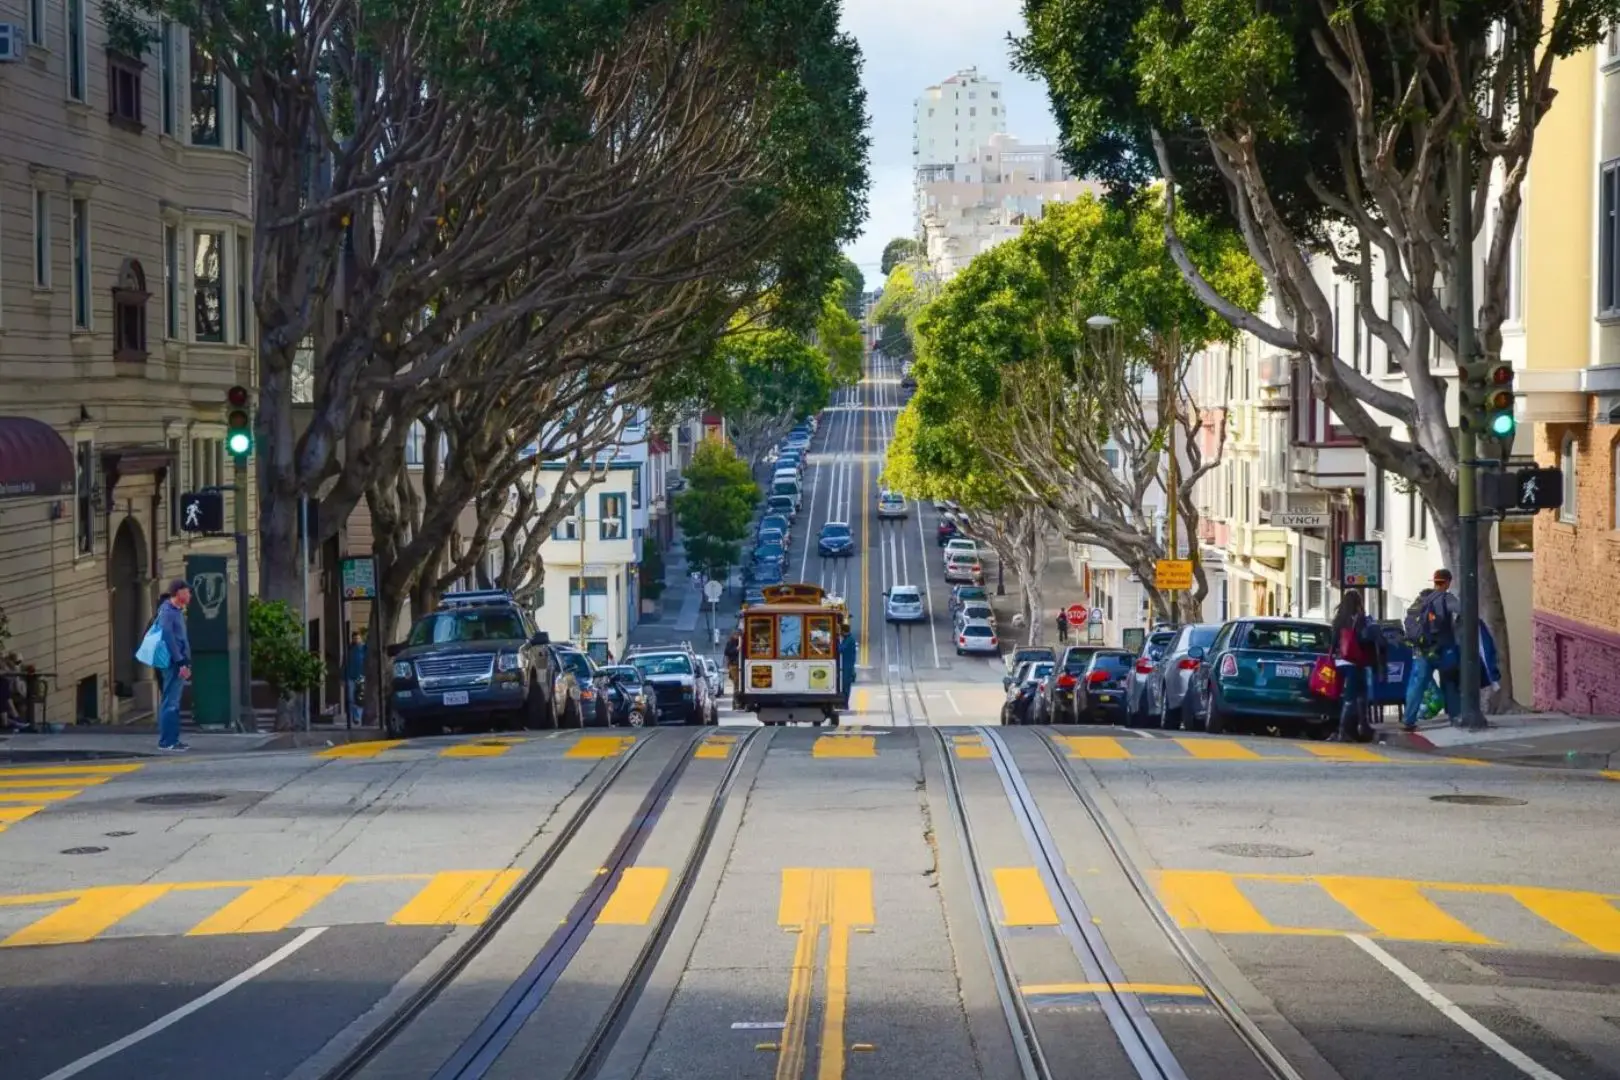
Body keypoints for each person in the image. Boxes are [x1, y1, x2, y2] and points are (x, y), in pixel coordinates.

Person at [1402, 568, 1461, 730]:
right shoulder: (1447, 598)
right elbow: (1462, 610)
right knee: (1450, 681)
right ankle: (1455, 716)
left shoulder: (1421, 599)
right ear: (1448, 582)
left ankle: (1408, 719)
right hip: (1443, 648)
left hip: (1422, 650)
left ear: (1434, 581)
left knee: (1418, 684)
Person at [1329, 589, 1377, 742]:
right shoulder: (1360, 619)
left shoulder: (1339, 619)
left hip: (1339, 661)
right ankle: (1348, 729)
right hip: (1354, 661)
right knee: (1355, 696)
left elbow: (1333, 641)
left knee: (1354, 695)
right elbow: (1364, 639)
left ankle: (1356, 727)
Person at [155, 581, 193, 752]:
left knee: (173, 701)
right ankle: (167, 740)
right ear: (178, 593)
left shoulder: (174, 611)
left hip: (177, 661)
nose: (189, 595)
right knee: (171, 701)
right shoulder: (169, 612)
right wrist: (180, 662)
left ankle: (172, 739)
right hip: (173, 663)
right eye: (187, 592)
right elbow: (169, 638)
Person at [345, 629, 367, 724]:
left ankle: (358, 717)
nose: (356, 640)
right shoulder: (349, 649)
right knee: (351, 698)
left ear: (361, 639)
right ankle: (354, 716)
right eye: (354, 638)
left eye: (358, 638)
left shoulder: (364, 648)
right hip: (351, 676)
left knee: (360, 698)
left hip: (361, 676)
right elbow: (344, 664)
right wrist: (343, 677)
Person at [838, 628, 858, 711]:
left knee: (845, 685)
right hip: (847, 666)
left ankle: (845, 704)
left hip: (847, 666)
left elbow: (841, 649)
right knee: (845, 686)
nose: (840, 633)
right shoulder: (848, 639)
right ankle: (843, 703)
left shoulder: (849, 640)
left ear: (844, 631)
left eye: (841, 632)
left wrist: (836, 643)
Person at [724, 630, 741, 705]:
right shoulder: (731, 643)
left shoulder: (736, 642)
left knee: (737, 684)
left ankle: (737, 701)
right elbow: (727, 652)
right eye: (737, 635)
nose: (737, 637)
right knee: (736, 683)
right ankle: (736, 701)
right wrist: (737, 648)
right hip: (734, 665)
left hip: (736, 665)